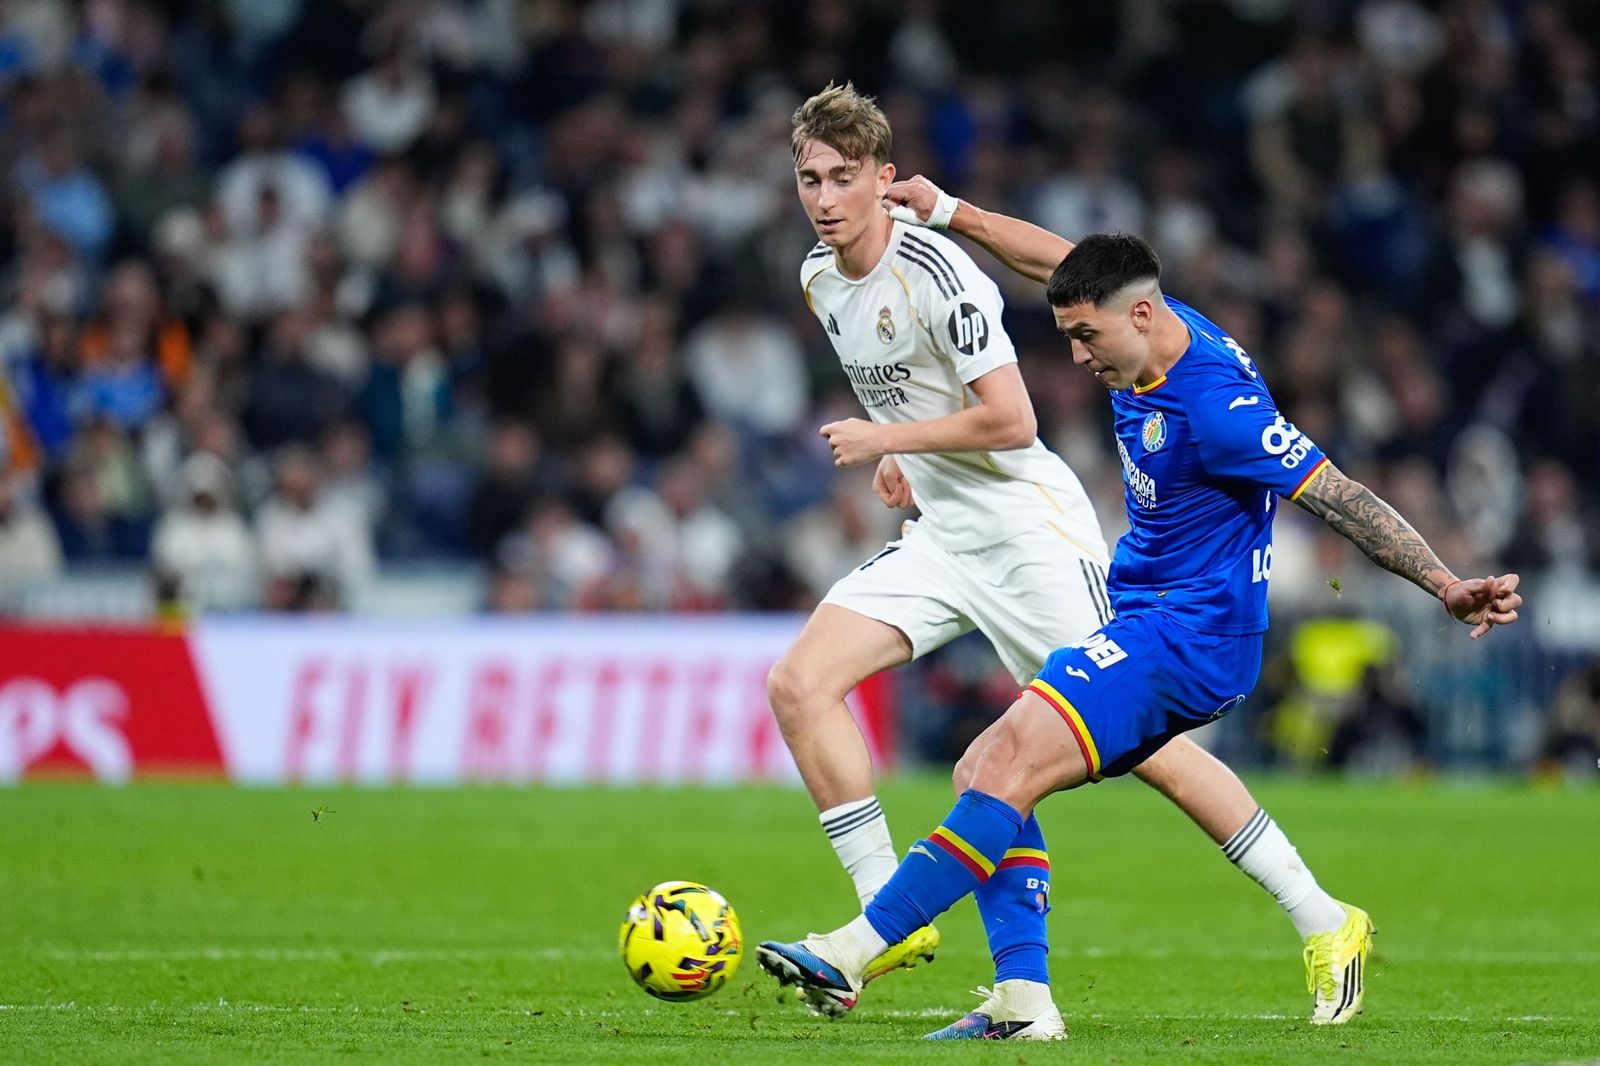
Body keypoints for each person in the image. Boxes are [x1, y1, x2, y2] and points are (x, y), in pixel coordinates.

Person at [758, 180, 1524, 1035]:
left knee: (1010, 757)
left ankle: (855, 947)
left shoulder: (1217, 410)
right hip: (1144, 612)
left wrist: (1449, 583)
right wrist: (951, 212)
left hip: (1191, 635)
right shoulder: (1141, 321)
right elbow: (1057, 263)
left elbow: (1341, 497)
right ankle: (1026, 1000)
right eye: (1073, 335)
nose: (1081, 360)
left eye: (1088, 339)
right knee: (983, 771)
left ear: (1146, 315)